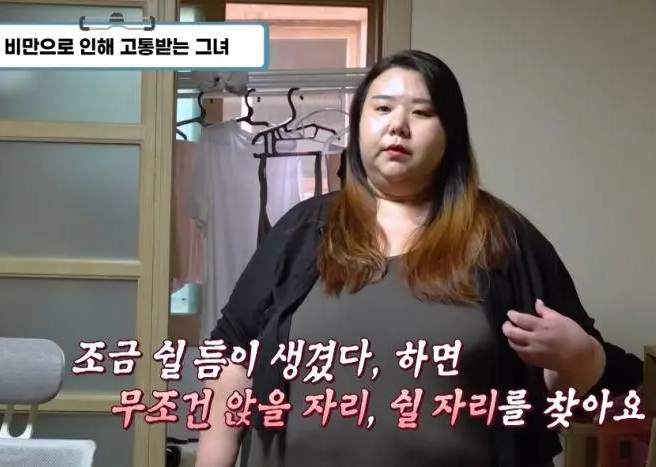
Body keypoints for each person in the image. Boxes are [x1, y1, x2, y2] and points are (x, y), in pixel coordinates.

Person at [195, 49, 613, 467]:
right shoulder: (301, 230)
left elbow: (562, 389)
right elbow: (230, 358)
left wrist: (583, 358)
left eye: (421, 112)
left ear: (450, 133)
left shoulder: (503, 237)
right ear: (359, 123)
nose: (398, 125)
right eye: (382, 108)